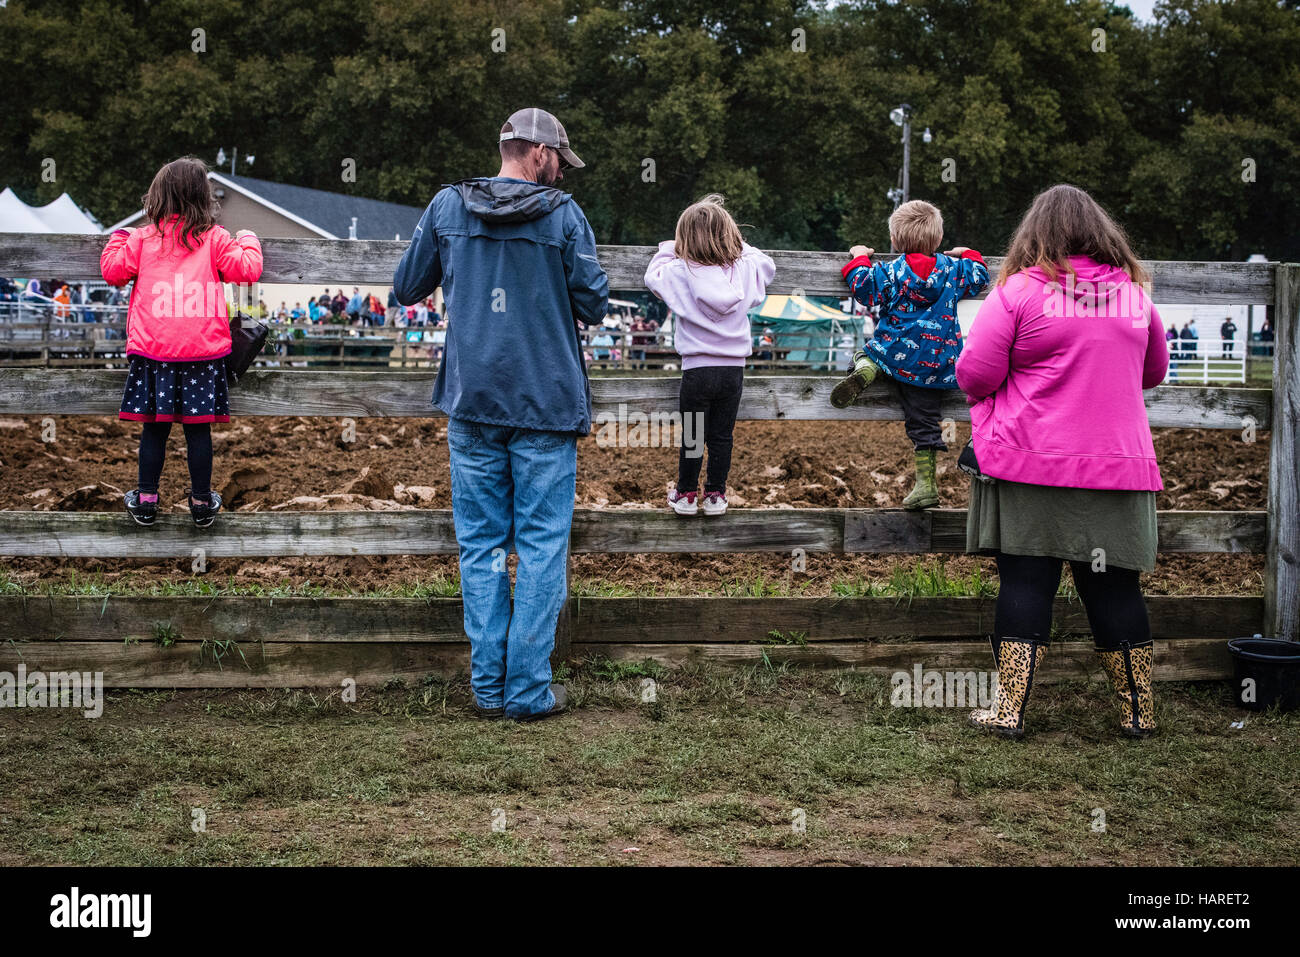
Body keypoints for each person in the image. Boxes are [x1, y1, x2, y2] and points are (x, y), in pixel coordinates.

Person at [392, 107, 608, 722]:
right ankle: (527, 691)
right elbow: (593, 302)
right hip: (546, 403)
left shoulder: (447, 207)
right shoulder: (563, 216)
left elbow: (407, 286)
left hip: (473, 401)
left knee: (481, 545)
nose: (563, 173)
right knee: (542, 549)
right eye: (560, 161)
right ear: (538, 152)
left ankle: (489, 689)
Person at [956, 183, 1166, 740]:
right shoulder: (1135, 298)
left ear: (1036, 234)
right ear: (1102, 234)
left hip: (1029, 464)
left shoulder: (1017, 291)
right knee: (1117, 589)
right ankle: (1139, 714)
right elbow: (1152, 372)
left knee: (1025, 582)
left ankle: (1008, 710)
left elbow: (975, 374)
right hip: (1118, 468)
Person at [100, 156, 263, 529]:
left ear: (158, 196)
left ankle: (145, 500)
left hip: (154, 351)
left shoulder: (142, 238)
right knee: (198, 428)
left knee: (154, 428)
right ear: (203, 197)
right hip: (202, 353)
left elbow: (112, 271)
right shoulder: (215, 238)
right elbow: (248, 270)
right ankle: (202, 502)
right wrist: (249, 238)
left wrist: (118, 237)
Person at [830, 199, 989, 509]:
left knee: (864, 353)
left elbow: (864, 289)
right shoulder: (953, 270)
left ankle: (867, 369)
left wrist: (859, 257)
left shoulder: (891, 271)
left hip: (891, 353)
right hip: (934, 364)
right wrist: (968, 254)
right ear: (938, 240)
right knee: (925, 422)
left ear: (894, 239)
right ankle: (927, 485)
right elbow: (980, 275)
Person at [645, 194, 774, 517]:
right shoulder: (745, 270)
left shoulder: (678, 271)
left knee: (693, 434)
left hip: (697, 369)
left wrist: (670, 246)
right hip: (733, 370)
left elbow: (653, 274)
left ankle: (686, 493)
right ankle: (716, 493)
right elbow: (765, 263)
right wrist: (737, 245)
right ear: (730, 234)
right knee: (721, 436)